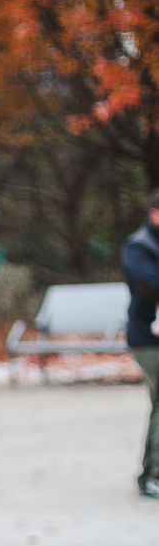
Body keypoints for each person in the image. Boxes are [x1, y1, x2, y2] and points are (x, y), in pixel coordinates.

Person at [122, 189, 159, 498]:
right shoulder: (139, 247)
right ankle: (153, 475)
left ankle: (149, 474)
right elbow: (151, 283)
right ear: (155, 214)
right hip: (147, 339)